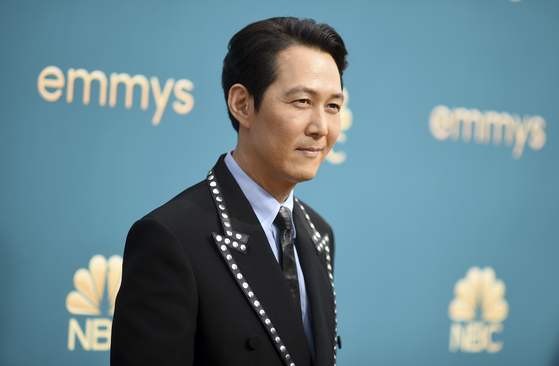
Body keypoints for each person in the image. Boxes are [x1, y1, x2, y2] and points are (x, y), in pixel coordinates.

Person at [110, 16, 348, 366]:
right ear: (242, 104)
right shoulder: (172, 238)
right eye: (301, 101)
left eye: (333, 106)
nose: (320, 127)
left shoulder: (318, 234)